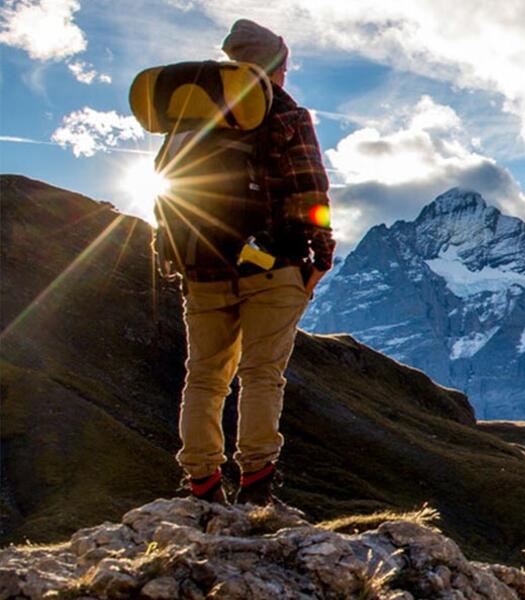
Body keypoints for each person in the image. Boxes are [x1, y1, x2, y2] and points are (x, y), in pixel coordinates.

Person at [163, 19, 334, 506]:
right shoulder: (286, 114)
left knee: (204, 377)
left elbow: (169, 189)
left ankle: (202, 485)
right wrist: (319, 257)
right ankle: (257, 489)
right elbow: (310, 190)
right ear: (276, 67)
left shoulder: (192, 115)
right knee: (261, 374)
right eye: (284, 64)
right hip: (272, 265)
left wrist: (175, 258)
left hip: (202, 268)